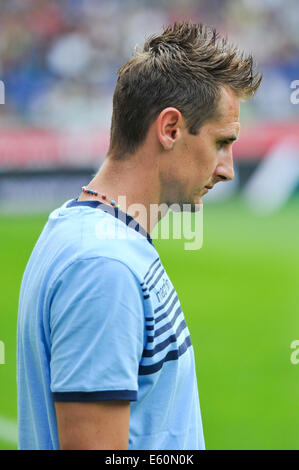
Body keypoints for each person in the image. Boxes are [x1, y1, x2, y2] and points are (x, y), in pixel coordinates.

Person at [17, 21, 261, 450]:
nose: (228, 168)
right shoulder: (103, 267)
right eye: (222, 142)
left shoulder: (90, 236)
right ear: (170, 129)